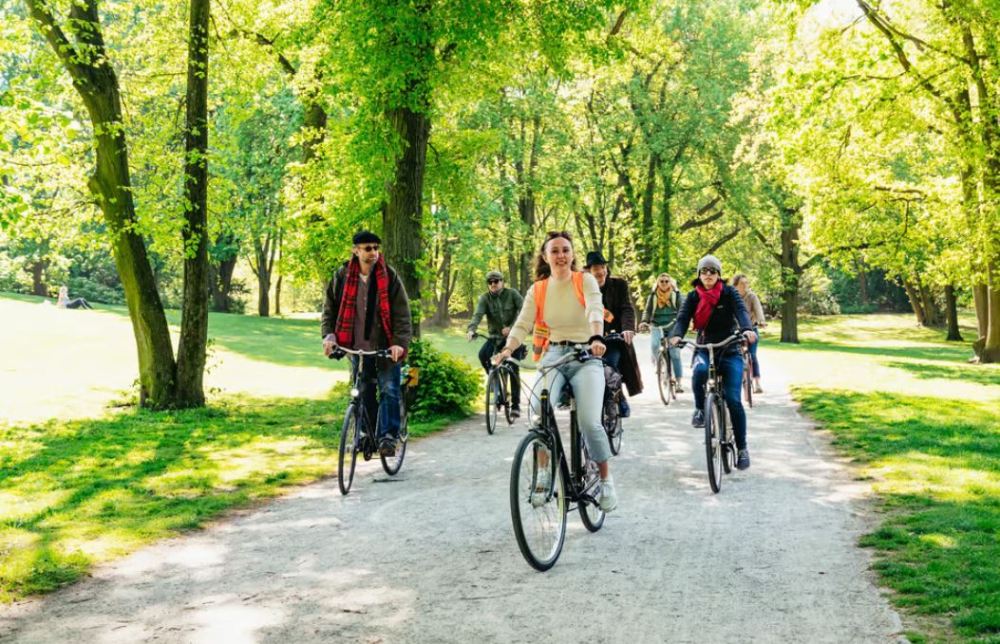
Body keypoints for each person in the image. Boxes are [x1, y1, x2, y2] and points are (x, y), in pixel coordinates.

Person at [494, 231, 618, 512]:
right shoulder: (538, 289)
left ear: (572, 254)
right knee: (539, 412)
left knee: (589, 422)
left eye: (565, 250)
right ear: (545, 256)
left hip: (586, 354)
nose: (561, 255)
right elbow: (522, 324)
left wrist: (597, 337)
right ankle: (544, 475)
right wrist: (507, 350)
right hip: (553, 355)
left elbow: (595, 310)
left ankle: (607, 480)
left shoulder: (584, 280)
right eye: (555, 251)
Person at [322, 231, 412, 457]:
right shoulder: (342, 276)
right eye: (367, 248)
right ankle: (367, 436)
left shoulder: (388, 276)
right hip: (356, 348)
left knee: (389, 390)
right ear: (356, 250)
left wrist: (399, 343)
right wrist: (329, 336)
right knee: (363, 392)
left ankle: (388, 438)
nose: (373, 253)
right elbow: (329, 310)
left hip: (384, 348)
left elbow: (402, 314)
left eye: (375, 248)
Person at [669, 255, 756, 470]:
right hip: (704, 346)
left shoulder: (729, 293)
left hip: (729, 347)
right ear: (699, 274)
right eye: (704, 271)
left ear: (719, 274)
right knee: (699, 372)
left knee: (734, 399)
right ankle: (700, 409)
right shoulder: (692, 297)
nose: (708, 275)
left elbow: (742, 311)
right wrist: (677, 335)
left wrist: (747, 329)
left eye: (712, 271)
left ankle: (743, 448)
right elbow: (682, 318)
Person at [583, 250, 643, 417]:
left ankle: (618, 399)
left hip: (613, 339)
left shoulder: (619, 285)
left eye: (602, 267)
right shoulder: (581, 287)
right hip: (590, 339)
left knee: (611, 365)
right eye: (595, 269)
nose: (600, 272)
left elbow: (626, 308)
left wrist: (627, 328)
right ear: (588, 271)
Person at [467, 271, 526, 418]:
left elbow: (524, 311)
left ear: (502, 281)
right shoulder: (485, 298)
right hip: (494, 338)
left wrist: (512, 327)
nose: (493, 284)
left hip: (513, 338)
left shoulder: (512, 294)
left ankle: (516, 406)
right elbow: (478, 315)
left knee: (513, 368)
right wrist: (471, 329)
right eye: (490, 282)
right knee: (483, 355)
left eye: (496, 281)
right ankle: (496, 385)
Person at [638, 273, 683, 392]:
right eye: (661, 281)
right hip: (657, 325)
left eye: (666, 281)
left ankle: (678, 382)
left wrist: (680, 323)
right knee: (654, 345)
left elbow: (682, 310)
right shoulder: (653, 296)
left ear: (670, 282)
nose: (664, 283)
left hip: (673, 325)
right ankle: (658, 363)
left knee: (675, 354)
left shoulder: (676, 295)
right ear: (658, 283)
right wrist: (644, 321)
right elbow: (647, 311)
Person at [732, 274, 765, 394]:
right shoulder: (732, 297)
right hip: (736, 331)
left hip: (752, 329)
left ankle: (757, 383)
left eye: (746, 283)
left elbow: (758, 309)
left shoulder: (752, 296)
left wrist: (761, 320)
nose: (745, 286)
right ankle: (737, 382)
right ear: (735, 286)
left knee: (752, 355)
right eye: (742, 283)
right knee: (736, 357)